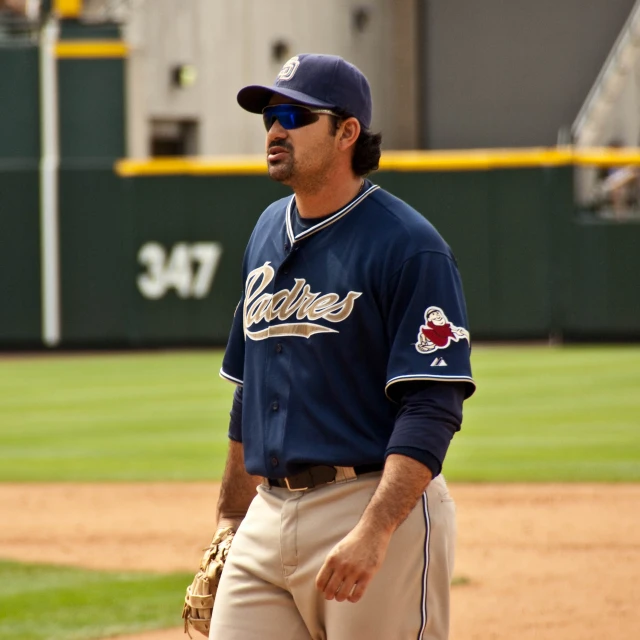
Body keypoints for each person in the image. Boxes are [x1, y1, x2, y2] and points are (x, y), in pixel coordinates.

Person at [210, 53, 476, 640]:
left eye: (294, 115)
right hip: (268, 511)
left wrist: (376, 529)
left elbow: (432, 405)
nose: (275, 130)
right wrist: (232, 515)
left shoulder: (409, 246)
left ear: (347, 131)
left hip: (369, 501)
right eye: (268, 117)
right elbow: (249, 387)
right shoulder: (264, 231)